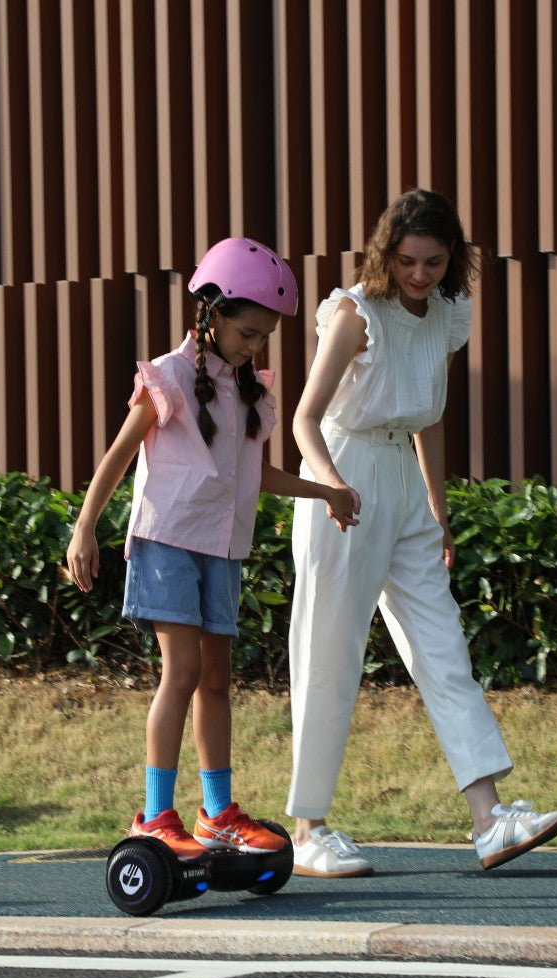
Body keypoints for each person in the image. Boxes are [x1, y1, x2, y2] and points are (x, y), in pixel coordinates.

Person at [285, 189, 557, 877]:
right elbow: (301, 418)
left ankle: (489, 820)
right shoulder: (354, 315)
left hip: (404, 487)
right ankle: (308, 831)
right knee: (329, 650)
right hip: (343, 468)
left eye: (434, 262)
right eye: (408, 261)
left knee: (443, 645)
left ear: (454, 259)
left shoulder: (447, 314)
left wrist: (437, 511)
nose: (420, 275)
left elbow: (430, 416)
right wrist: (329, 486)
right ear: (387, 253)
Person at [66, 237, 358, 863]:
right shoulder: (167, 378)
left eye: (265, 337)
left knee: (218, 678)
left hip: (222, 548)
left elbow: (260, 475)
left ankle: (217, 814)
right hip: (167, 542)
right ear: (213, 311)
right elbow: (119, 455)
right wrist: (85, 526)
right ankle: (155, 815)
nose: (255, 346)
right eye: (247, 332)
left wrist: (326, 491)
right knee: (184, 672)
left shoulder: (249, 391)